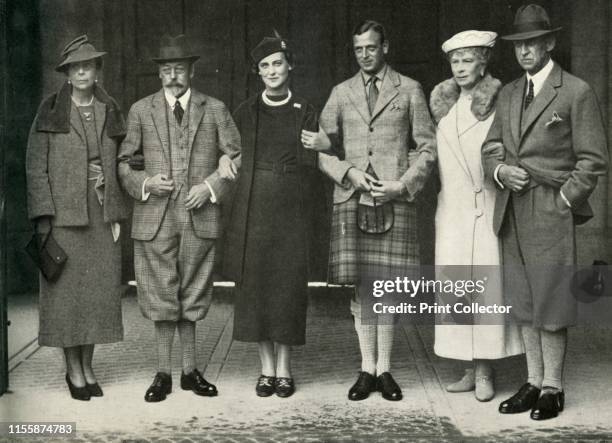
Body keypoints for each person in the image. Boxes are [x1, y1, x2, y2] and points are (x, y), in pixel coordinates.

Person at [482, 4, 608, 420]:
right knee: (522, 300)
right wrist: (500, 171)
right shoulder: (508, 93)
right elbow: (491, 147)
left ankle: (553, 387)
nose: (524, 52)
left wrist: (563, 202)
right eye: (518, 45)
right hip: (512, 208)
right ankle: (533, 381)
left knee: (552, 301)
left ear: (550, 42)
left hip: (549, 209)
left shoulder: (574, 91)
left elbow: (593, 160)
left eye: (532, 43)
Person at [118, 34, 241, 402]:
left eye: (180, 69)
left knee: (192, 294)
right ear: (159, 74)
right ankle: (163, 374)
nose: (173, 76)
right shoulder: (141, 110)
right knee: (160, 297)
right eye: (166, 70)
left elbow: (235, 156)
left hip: (198, 215)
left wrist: (212, 186)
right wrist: (145, 182)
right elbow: (123, 162)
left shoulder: (215, 109)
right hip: (154, 217)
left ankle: (190, 371)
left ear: (192, 71)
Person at [318, 20, 436, 401]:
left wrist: (402, 185)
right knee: (362, 288)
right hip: (352, 200)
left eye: (371, 47)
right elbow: (320, 148)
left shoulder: (411, 90)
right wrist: (348, 172)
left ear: (385, 47)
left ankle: (385, 369)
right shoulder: (341, 92)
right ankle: (365, 368)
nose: (365, 55)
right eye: (358, 49)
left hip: (394, 198)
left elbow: (428, 148)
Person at [223, 33, 328, 398]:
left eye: (277, 63)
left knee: (286, 291)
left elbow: (316, 161)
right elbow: (230, 153)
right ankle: (265, 369)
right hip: (252, 212)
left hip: (291, 214)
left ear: (290, 66)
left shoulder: (306, 110)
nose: (271, 71)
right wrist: (224, 159)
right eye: (264, 66)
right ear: (258, 72)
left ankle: (284, 369)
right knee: (255, 291)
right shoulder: (244, 111)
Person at [26, 35, 129, 401]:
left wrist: (116, 209)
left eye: (89, 64)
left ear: (97, 70)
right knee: (67, 299)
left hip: (101, 214)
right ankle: (73, 372)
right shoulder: (50, 108)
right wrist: (43, 218)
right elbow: (36, 167)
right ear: (67, 73)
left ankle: (88, 367)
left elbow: (122, 163)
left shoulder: (109, 108)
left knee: (96, 298)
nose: (83, 70)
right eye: (76, 66)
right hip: (64, 218)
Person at [430, 30, 523, 402]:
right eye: (455, 61)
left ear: (484, 61)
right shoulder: (444, 107)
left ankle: (486, 370)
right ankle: (468, 367)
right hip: (452, 210)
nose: (460, 68)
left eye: (468, 60)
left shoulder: (500, 103)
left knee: (485, 287)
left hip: (486, 207)